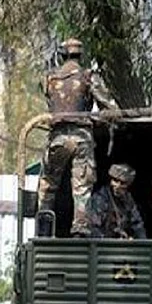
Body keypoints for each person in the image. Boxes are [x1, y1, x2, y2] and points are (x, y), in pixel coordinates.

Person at [37, 38, 119, 236]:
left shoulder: (49, 78)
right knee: (81, 186)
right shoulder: (88, 77)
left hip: (56, 138)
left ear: (61, 55)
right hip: (82, 137)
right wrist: (99, 118)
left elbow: (50, 102)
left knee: (48, 184)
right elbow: (110, 107)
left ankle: (44, 229)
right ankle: (80, 228)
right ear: (80, 55)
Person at [88, 164, 146, 239]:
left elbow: (137, 224)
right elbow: (94, 228)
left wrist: (140, 240)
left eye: (122, 183)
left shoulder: (128, 199)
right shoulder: (100, 198)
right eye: (115, 181)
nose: (118, 186)